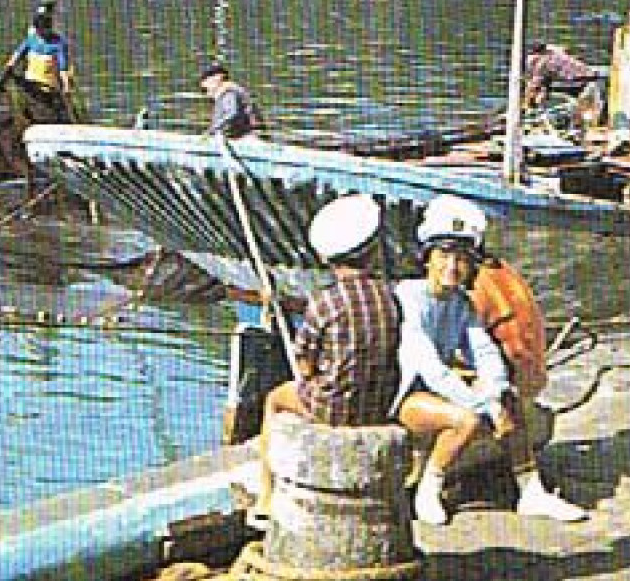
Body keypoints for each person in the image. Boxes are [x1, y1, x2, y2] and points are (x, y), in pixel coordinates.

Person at [393, 195, 587, 526]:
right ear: (427, 258)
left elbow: (484, 353)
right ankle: (430, 488)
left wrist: (496, 394)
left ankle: (531, 490)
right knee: (467, 419)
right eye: (443, 256)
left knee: (508, 398)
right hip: (401, 395)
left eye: (462, 259)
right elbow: (431, 369)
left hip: (434, 391)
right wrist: (484, 406)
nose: (452, 267)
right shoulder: (410, 298)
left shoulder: (460, 304)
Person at [253, 193, 402, 518]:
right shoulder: (390, 298)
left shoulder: (325, 303)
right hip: (379, 406)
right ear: (373, 251)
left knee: (274, 401)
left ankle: (265, 496)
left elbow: (305, 365)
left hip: (332, 409)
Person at [3, 6, 74, 124]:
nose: (40, 33)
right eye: (38, 30)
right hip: (29, 85)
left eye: (43, 30)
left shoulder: (58, 44)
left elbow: (63, 68)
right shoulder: (31, 40)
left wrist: (66, 86)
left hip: (49, 87)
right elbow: (16, 57)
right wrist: (8, 70)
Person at [524, 42, 599, 106]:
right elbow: (566, 50)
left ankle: (533, 105)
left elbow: (537, 81)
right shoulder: (553, 49)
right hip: (588, 74)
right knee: (540, 85)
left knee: (538, 86)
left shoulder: (542, 62)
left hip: (577, 79)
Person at [199, 62, 259, 139]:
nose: (204, 84)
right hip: (238, 137)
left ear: (218, 77)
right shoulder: (227, 92)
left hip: (248, 139)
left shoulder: (229, 93)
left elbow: (232, 113)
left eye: (206, 78)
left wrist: (212, 130)